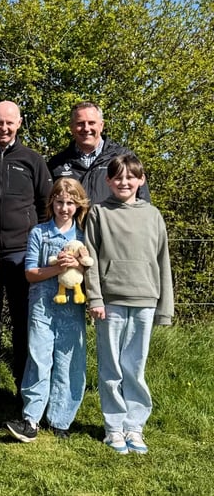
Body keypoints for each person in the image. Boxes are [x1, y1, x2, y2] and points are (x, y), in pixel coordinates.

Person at [84, 154, 173, 455]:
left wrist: (165, 307)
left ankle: (134, 427)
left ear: (141, 180)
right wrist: (95, 297)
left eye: (130, 177)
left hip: (145, 300)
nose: (124, 182)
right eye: (118, 177)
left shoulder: (153, 215)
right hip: (111, 301)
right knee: (111, 369)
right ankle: (113, 429)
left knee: (135, 367)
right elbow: (90, 260)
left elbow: (163, 263)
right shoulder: (98, 213)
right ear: (108, 181)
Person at [4, 178, 90, 443]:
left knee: (69, 362)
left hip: (72, 308)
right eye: (60, 202)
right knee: (40, 360)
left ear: (78, 206)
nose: (64, 208)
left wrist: (80, 264)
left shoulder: (83, 236)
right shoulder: (39, 233)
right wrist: (59, 268)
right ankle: (31, 419)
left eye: (70, 203)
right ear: (51, 202)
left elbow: (90, 270)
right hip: (42, 306)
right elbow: (30, 273)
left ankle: (61, 419)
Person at [0, 101, 52, 401]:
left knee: (25, 325)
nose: (4, 128)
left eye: (10, 122)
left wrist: (37, 245)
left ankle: (25, 390)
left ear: (19, 123)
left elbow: (46, 206)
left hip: (23, 255)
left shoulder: (32, 160)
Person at [47, 101, 150, 203]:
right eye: (80, 123)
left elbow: (142, 201)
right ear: (71, 127)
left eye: (91, 123)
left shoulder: (124, 158)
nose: (86, 128)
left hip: (113, 220)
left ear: (101, 126)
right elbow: (47, 205)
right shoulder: (56, 164)